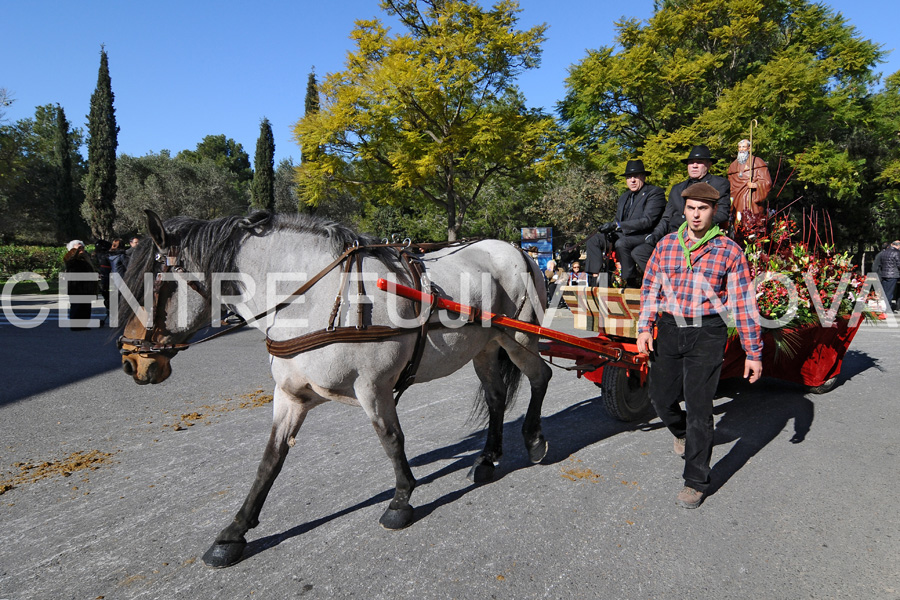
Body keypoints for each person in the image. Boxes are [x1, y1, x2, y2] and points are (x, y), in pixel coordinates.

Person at [636, 182, 762, 509]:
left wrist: (753, 352)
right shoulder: (666, 246)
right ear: (684, 209)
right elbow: (650, 290)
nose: (695, 215)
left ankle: (695, 480)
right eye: (691, 208)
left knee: (700, 407)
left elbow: (745, 305)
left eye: (702, 209)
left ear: (713, 211)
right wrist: (644, 328)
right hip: (670, 327)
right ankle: (680, 433)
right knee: (660, 397)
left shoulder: (728, 250)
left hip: (708, 331)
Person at [632, 145, 731, 273]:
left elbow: (722, 214)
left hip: (701, 235)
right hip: (675, 236)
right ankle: (664, 283)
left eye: (699, 162)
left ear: (709, 164)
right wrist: (655, 236)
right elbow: (666, 218)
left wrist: (690, 221)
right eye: (691, 163)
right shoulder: (677, 189)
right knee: (639, 252)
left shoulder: (719, 184)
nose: (694, 166)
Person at [584, 160, 666, 287]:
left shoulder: (654, 193)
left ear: (643, 177)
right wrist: (610, 228)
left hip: (644, 235)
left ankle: (630, 282)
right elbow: (618, 221)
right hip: (623, 234)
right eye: (629, 177)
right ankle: (595, 279)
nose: (632, 180)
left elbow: (648, 221)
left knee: (622, 243)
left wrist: (618, 226)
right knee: (593, 239)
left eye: (636, 176)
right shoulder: (624, 197)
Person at [727, 139, 772, 216]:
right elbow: (730, 185)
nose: (741, 149)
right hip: (736, 199)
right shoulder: (733, 166)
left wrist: (756, 185)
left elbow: (767, 182)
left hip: (751, 198)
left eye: (744, 147)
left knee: (751, 220)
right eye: (739, 147)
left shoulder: (757, 162)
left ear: (749, 148)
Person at [63, 240, 99, 330]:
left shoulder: (86, 257)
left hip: (86, 286)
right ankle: (75, 325)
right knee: (77, 306)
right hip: (76, 286)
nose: (81, 249)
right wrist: (76, 253)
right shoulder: (70, 258)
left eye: (82, 247)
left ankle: (84, 324)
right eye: (78, 248)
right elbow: (70, 262)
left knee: (86, 306)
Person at [877, 240, 900, 312]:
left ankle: (883, 306)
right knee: (890, 292)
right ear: (898, 245)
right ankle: (887, 308)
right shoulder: (896, 253)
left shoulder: (884, 252)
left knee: (885, 291)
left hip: (884, 274)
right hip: (893, 275)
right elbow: (899, 264)